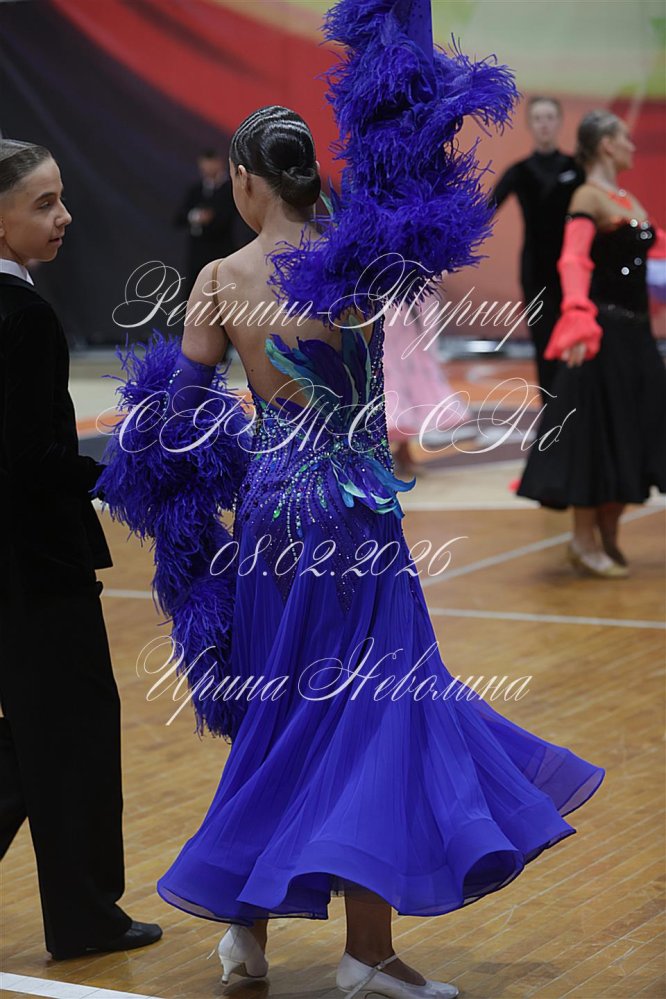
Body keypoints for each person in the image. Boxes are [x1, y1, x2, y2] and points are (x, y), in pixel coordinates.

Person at [99, 5, 604, 997]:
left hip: (272, 511)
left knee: (276, 712)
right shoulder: (360, 259)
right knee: (375, 716)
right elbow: (418, 182)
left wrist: (186, 528)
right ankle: (366, 955)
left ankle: (245, 932)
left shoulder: (219, 277)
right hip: (356, 510)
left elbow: (172, 425)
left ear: (244, 180)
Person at [0, 139, 162, 960]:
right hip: (36, 564)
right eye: (43, 203)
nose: (64, 216)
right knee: (71, 740)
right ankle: (87, 917)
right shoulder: (23, 316)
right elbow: (31, 460)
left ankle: (86, 912)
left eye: (61, 197)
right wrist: (121, 471)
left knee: (25, 741)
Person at [516, 110, 666, 576]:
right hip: (602, 334)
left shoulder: (627, 199)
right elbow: (573, 260)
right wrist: (579, 317)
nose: (632, 146)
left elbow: (655, 256)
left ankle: (609, 532)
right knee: (594, 434)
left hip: (637, 335)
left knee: (634, 429)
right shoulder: (587, 195)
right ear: (605, 144)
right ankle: (583, 541)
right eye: (625, 139)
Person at [489, 96, 585, 400]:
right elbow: (484, 211)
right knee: (544, 343)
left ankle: (576, 410)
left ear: (559, 122)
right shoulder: (519, 171)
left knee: (576, 341)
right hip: (535, 271)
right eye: (539, 118)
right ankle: (551, 412)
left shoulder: (576, 168)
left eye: (550, 117)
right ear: (530, 124)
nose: (545, 124)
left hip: (573, 271)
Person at [174, 148, 236, 299]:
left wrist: (211, 218)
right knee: (194, 292)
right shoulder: (196, 190)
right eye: (202, 166)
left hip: (221, 250)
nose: (205, 169)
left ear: (219, 163)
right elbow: (178, 218)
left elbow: (227, 217)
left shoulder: (230, 189)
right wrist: (196, 216)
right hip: (197, 252)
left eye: (209, 164)